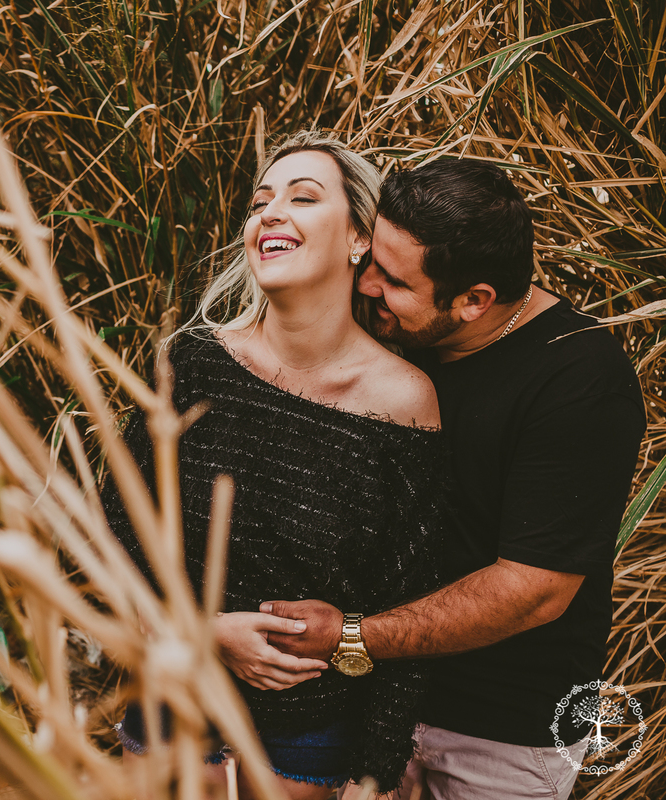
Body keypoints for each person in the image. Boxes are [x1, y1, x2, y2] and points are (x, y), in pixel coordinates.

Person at [259, 159, 647, 800]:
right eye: (371, 260)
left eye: (394, 279)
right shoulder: (393, 334)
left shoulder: (579, 383)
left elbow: (532, 589)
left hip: (500, 730)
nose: (368, 286)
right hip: (373, 701)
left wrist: (352, 637)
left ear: (474, 302)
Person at [105, 130, 444, 799]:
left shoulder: (405, 403)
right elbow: (118, 530)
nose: (270, 213)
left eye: (304, 197)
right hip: (171, 720)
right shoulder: (195, 362)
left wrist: (373, 773)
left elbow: (407, 599)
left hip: (308, 749)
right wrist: (202, 633)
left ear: (358, 241)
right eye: (261, 202)